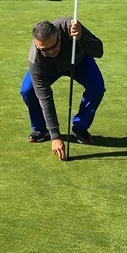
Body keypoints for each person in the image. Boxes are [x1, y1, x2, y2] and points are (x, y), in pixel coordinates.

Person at [20, 17, 105, 160]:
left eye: (53, 46)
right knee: (28, 90)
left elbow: (99, 50)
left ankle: (80, 127)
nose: (50, 51)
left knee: (97, 87)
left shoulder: (71, 26)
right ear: (36, 44)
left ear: (59, 35)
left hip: (79, 62)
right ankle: (41, 129)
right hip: (49, 70)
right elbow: (44, 96)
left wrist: (81, 37)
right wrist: (55, 136)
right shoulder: (36, 59)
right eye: (44, 49)